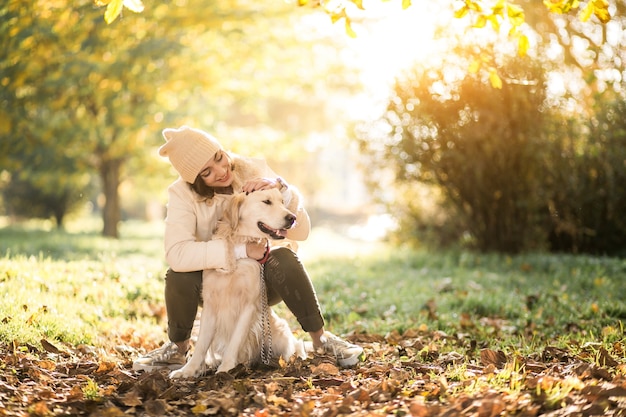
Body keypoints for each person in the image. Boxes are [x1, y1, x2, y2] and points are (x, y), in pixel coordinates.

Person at [133, 126, 365, 372]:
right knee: (178, 274)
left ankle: (322, 340)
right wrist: (240, 251)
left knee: (284, 256)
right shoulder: (182, 194)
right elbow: (177, 253)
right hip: (212, 278)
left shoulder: (253, 170)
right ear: (196, 180)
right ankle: (177, 350)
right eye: (207, 172)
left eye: (220, 157)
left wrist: (283, 190)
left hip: (260, 279)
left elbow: (302, 231)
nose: (222, 171)